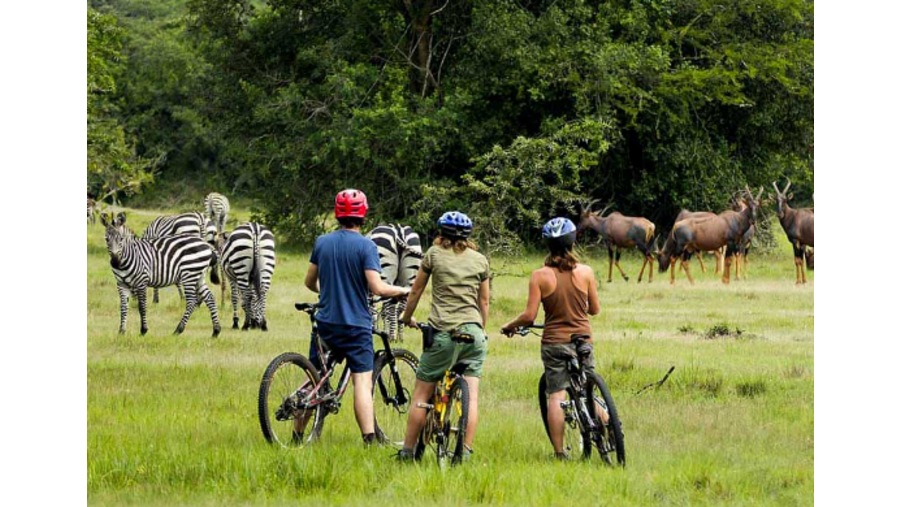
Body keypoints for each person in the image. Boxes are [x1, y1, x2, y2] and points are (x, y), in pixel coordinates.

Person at [299, 189, 410, 446]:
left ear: (338, 214)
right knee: (362, 381)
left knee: (313, 376)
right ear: (363, 214)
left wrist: (328, 292)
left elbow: (309, 282)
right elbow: (378, 288)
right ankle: (369, 439)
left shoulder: (322, 242)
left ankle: (297, 435)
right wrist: (403, 290)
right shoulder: (367, 246)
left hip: (325, 324)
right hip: (355, 326)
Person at [501, 218, 602, 460]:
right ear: (572, 241)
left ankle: (559, 453)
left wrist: (510, 326)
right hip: (583, 340)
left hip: (555, 343)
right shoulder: (586, 272)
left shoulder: (540, 276)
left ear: (547, 245)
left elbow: (529, 316)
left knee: (557, 395)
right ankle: (611, 427)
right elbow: (595, 310)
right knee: (589, 390)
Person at [397, 212, 491, 462]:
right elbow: (484, 301)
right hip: (474, 334)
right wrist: (482, 329)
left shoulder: (434, 255)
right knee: (471, 397)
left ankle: (407, 452)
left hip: (444, 333)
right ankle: (466, 453)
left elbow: (416, 290)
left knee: (420, 394)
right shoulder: (480, 260)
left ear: (441, 233)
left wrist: (407, 317)